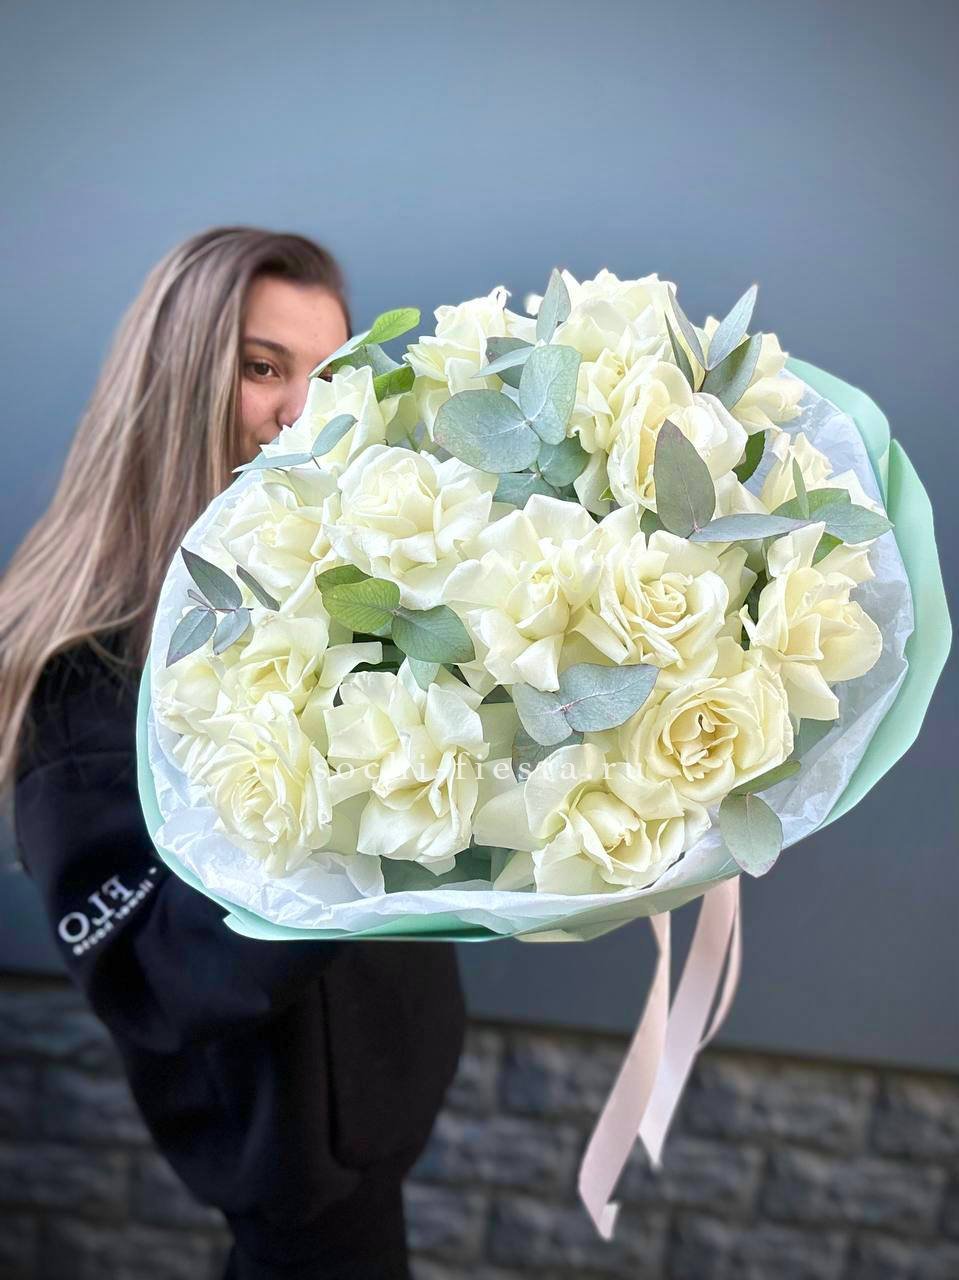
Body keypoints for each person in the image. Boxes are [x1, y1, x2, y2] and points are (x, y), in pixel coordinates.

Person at [0, 227, 467, 1279]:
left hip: (379, 1118)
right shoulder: (88, 677)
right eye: (263, 368)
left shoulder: (334, 591)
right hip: (295, 1169)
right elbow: (158, 977)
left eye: (329, 377)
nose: (304, 411)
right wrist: (345, 790)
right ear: (176, 385)